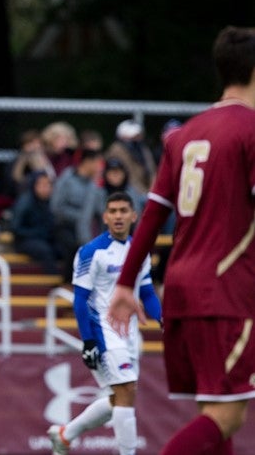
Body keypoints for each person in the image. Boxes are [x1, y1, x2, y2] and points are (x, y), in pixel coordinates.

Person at [108, 26, 255, 455]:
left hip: (184, 288)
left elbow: (153, 213)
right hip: (226, 290)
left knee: (216, 413)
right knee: (228, 416)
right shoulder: (249, 130)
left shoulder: (186, 133)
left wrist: (124, 283)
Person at [47, 192, 162, 455]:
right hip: (104, 332)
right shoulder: (91, 252)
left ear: (134, 216)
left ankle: (66, 435)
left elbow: (146, 292)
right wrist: (88, 340)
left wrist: (163, 319)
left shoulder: (140, 250)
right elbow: (80, 299)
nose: (118, 216)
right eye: (113, 211)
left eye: (124, 211)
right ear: (105, 217)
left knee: (119, 397)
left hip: (130, 334)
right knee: (126, 391)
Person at [51, 149, 104, 283]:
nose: (99, 167)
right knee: (74, 246)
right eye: (97, 163)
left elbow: (99, 211)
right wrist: (81, 217)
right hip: (63, 226)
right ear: (87, 162)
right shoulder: (67, 178)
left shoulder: (94, 184)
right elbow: (56, 207)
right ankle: (67, 283)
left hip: (85, 228)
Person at [9, 172, 58, 274]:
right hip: (24, 241)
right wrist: (37, 233)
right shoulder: (25, 202)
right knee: (44, 250)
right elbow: (15, 228)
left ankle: (68, 282)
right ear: (34, 185)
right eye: (43, 184)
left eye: (48, 184)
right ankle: (53, 281)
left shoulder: (52, 202)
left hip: (45, 239)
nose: (46, 188)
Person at [105, 119, 157, 195]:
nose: (136, 139)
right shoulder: (117, 150)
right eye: (133, 137)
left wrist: (152, 192)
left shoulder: (143, 149)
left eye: (137, 136)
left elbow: (151, 172)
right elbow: (129, 177)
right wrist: (143, 194)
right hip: (129, 192)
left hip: (146, 192)